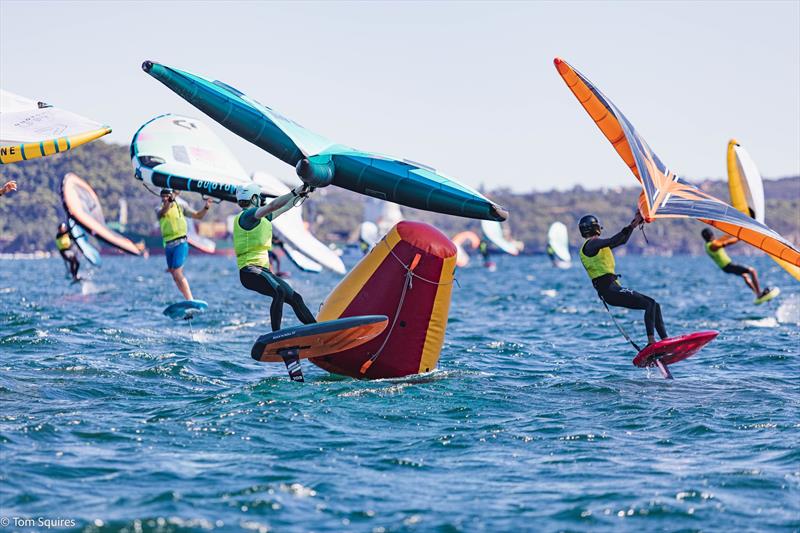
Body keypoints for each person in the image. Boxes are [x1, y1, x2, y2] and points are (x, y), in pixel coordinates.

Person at [234, 183, 316, 332]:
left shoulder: (261, 218)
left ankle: (316, 331)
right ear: (254, 198)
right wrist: (294, 191)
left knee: (295, 298)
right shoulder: (248, 215)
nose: (261, 200)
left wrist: (301, 194)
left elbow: (283, 207)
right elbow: (272, 206)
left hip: (263, 272)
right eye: (259, 197)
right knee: (279, 291)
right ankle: (276, 336)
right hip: (249, 271)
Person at [578, 213, 667, 346]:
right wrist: (632, 225)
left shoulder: (596, 246)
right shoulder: (592, 244)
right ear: (596, 228)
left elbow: (621, 240)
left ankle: (665, 341)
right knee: (649, 304)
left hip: (612, 289)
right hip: (610, 290)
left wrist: (634, 224)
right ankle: (651, 342)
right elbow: (613, 240)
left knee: (654, 305)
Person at [157, 189, 212, 300]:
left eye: (166, 196)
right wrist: (169, 201)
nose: (164, 198)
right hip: (168, 246)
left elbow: (198, 216)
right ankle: (187, 298)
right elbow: (164, 211)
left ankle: (190, 299)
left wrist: (206, 207)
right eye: (162, 196)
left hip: (180, 242)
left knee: (177, 272)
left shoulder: (181, 206)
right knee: (174, 274)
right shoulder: (158, 209)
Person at [701, 228, 770, 298]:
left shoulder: (709, 244)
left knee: (745, 275)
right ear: (712, 235)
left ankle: (757, 293)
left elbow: (723, 239)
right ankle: (759, 294)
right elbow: (725, 243)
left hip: (726, 267)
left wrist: (733, 232)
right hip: (728, 266)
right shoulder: (712, 246)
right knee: (752, 271)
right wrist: (739, 238)